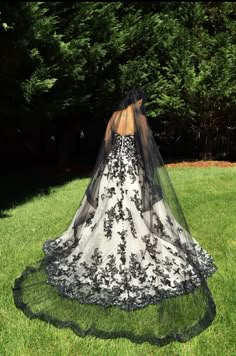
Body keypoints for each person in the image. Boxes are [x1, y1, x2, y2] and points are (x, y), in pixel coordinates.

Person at [12, 88, 218, 346]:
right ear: (138, 101)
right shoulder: (140, 119)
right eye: (142, 102)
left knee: (105, 213)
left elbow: (107, 144)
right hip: (131, 173)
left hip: (111, 173)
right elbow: (144, 148)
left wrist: (116, 162)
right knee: (137, 214)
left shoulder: (114, 116)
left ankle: (101, 248)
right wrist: (144, 174)